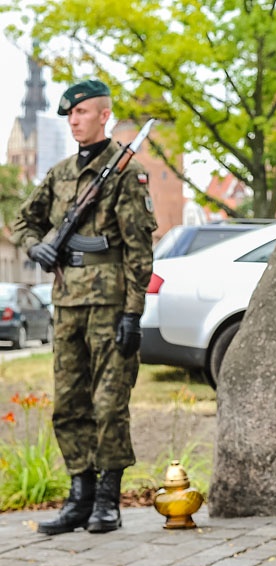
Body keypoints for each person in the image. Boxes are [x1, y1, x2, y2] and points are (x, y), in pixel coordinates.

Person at [12, 80, 157, 535]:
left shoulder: (125, 174)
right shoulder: (58, 176)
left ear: (103, 115)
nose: (73, 121)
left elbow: (139, 250)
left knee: (110, 404)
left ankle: (107, 500)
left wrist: (133, 312)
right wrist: (36, 248)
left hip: (111, 304)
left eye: (81, 113)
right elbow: (22, 220)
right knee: (70, 404)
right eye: (69, 116)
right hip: (68, 304)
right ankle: (79, 496)